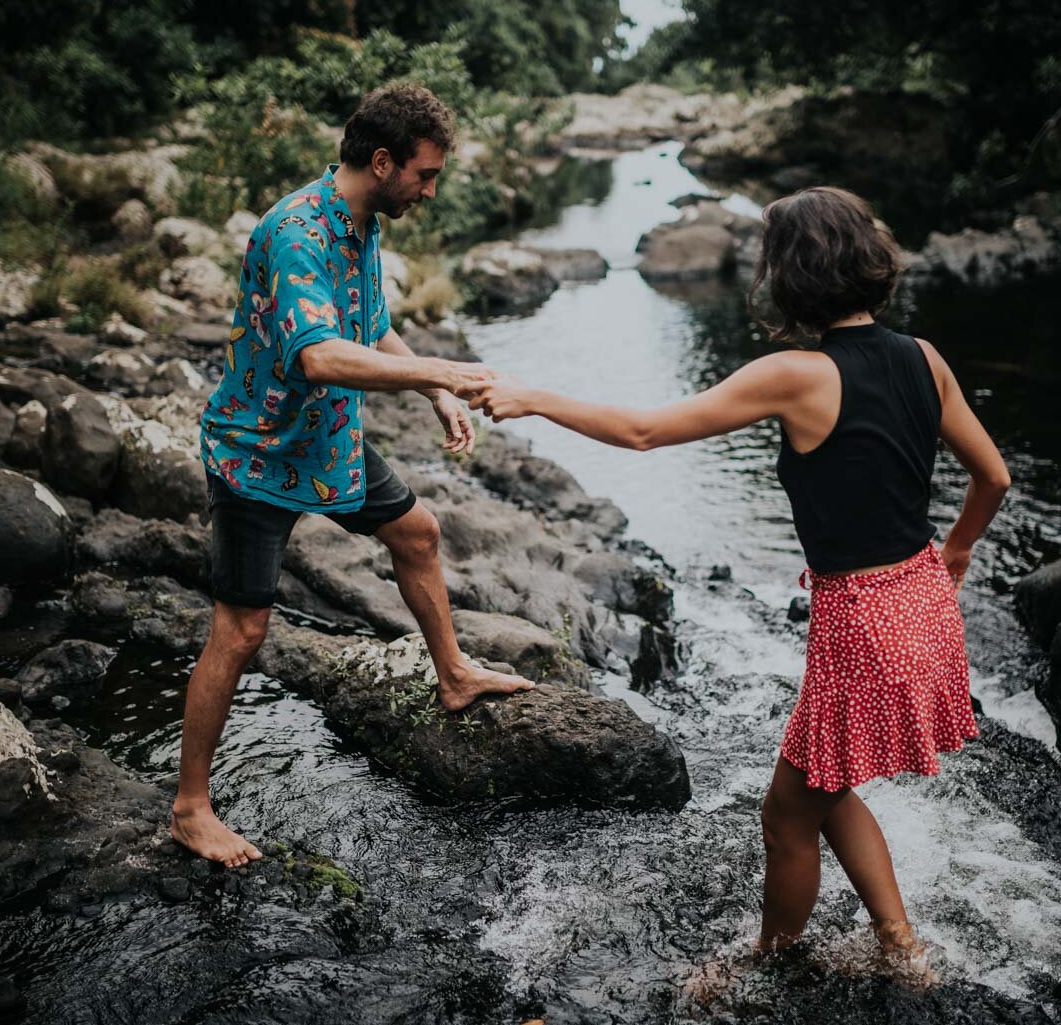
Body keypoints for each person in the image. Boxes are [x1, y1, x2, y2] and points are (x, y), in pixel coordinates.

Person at [465, 186, 1010, 983]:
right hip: (921, 601)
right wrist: (956, 553)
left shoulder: (796, 374)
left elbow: (646, 432)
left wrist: (534, 397)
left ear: (790, 276)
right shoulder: (925, 358)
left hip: (862, 616)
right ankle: (901, 945)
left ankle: (767, 966)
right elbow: (992, 476)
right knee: (824, 788)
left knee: (789, 812)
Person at [175, 84, 534, 868]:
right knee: (242, 629)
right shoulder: (298, 232)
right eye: (426, 174)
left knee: (418, 531)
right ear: (383, 161)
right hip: (259, 453)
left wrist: (438, 393)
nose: (431, 190)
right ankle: (190, 807)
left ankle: (454, 674)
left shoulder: (362, 221)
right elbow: (319, 355)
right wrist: (448, 368)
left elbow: (371, 329)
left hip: (327, 439)